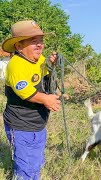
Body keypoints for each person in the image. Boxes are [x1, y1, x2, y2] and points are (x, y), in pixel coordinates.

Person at [1, 20, 61, 179]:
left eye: (41, 41)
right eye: (33, 42)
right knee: (25, 165)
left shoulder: (39, 60)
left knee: (36, 159)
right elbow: (25, 92)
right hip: (20, 124)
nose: (39, 45)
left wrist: (52, 65)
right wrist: (46, 100)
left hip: (38, 122)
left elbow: (46, 76)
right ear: (19, 46)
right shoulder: (16, 65)